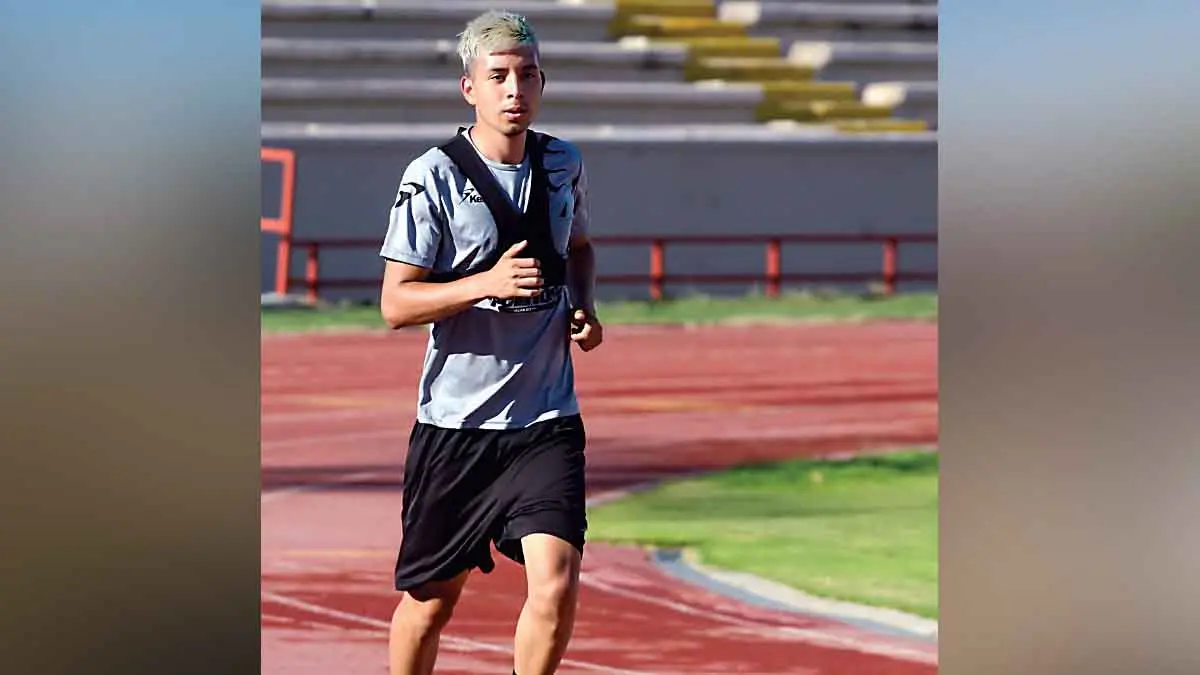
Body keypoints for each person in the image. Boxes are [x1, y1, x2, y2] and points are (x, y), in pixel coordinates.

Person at [375, 10, 603, 675]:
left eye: (527, 76)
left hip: (546, 421)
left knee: (555, 583)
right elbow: (395, 303)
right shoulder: (433, 175)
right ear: (469, 87)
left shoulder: (563, 162)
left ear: (542, 83)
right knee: (430, 603)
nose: (514, 90)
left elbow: (579, 248)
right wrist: (485, 283)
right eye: (498, 76)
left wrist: (584, 306)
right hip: (456, 428)